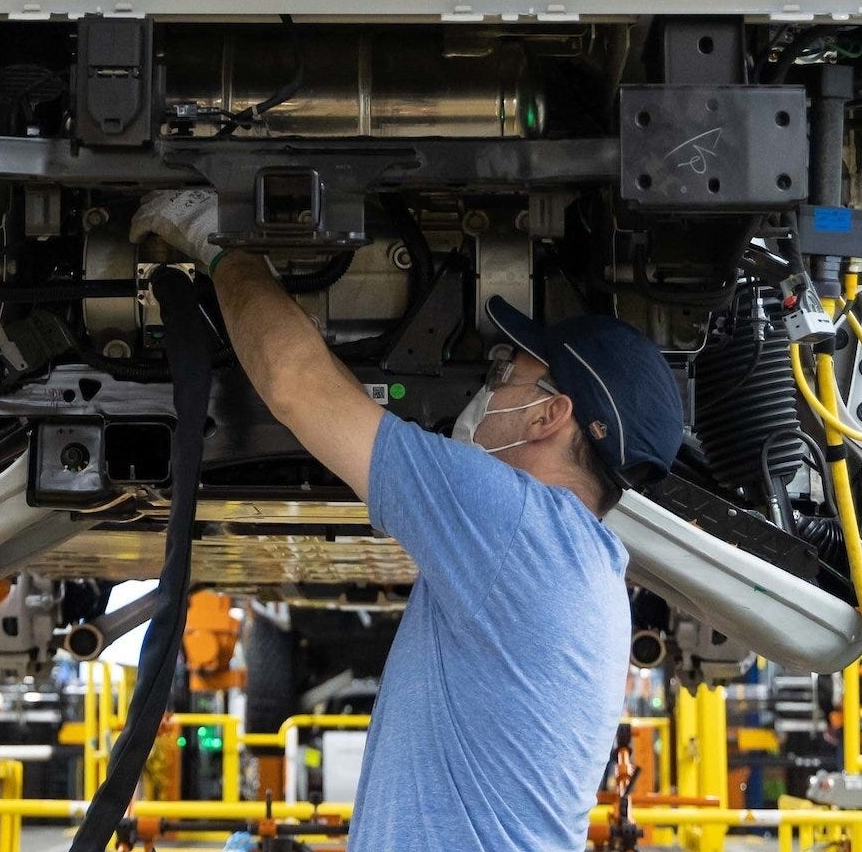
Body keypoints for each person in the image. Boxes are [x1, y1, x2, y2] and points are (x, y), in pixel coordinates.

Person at [132, 189, 686, 851]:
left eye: (507, 370)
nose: (491, 382)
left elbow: (295, 384)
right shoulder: (572, 557)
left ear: (548, 416)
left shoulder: (514, 524)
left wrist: (219, 244)